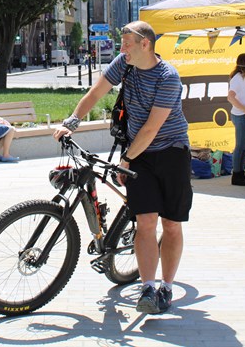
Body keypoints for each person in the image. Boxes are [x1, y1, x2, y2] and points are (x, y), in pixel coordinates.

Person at [53, 20, 191, 315]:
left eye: (127, 42)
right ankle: (148, 288)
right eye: (121, 43)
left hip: (171, 152)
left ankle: (167, 286)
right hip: (139, 153)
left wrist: (125, 159)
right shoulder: (124, 64)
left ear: (145, 44)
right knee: (146, 222)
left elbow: (153, 128)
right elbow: (95, 93)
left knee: (170, 224)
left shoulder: (168, 77)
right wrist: (72, 122)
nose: (121, 47)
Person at [227, 53, 245, 187]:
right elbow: (231, 97)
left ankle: (240, 172)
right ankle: (236, 174)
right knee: (240, 146)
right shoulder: (237, 78)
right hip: (241, 115)